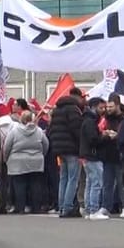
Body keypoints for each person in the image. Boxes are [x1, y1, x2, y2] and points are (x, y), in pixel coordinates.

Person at [48, 88, 85, 218]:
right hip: (72, 148)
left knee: (63, 178)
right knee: (73, 179)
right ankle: (68, 207)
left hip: (59, 148)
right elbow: (77, 130)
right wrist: (81, 146)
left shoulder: (56, 110)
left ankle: (62, 206)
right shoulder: (73, 110)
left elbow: (50, 129)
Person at [3, 109, 49, 214]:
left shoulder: (14, 131)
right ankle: (36, 207)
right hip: (36, 161)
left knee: (19, 185)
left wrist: (7, 159)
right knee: (35, 185)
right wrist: (41, 155)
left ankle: (20, 207)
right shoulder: (38, 131)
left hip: (17, 162)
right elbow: (46, 144)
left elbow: (7, 146)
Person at [80, 96, 110, 219]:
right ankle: (93, 210)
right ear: (93, 107)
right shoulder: (90, 121)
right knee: (96, 182)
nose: (103, 110)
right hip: (92, 155)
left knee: (90, 182)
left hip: (87, 155)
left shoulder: (87, 120)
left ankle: (88, 209)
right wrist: (105, 136)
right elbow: (93, 139)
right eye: (100, 107)